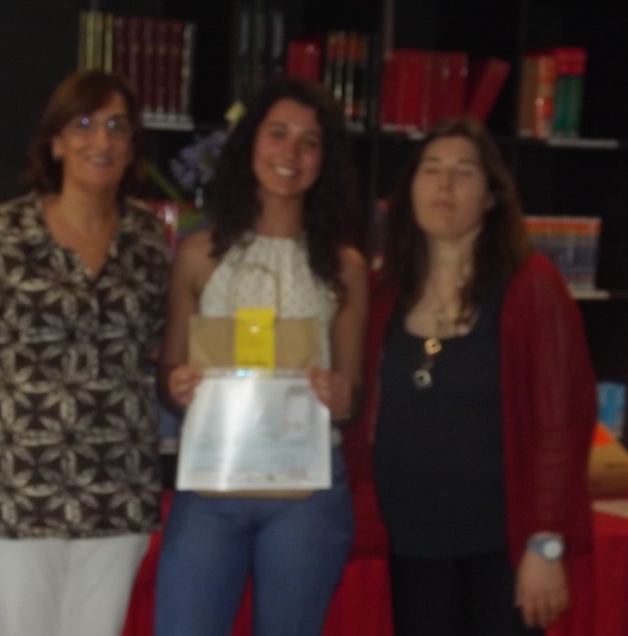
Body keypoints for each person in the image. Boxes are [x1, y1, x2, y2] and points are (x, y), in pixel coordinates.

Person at [0, 70, 170, 636]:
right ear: (56, 143)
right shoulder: (4, 231)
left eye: (117, 126)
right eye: (84, 124)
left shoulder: (148, 240)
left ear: (132, 146)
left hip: (116, 492)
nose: (102, 140)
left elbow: (165, 350)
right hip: (14, 485)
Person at [351, 117, 596, 635]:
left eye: (463, 172)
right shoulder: (384, 292)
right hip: (410, 546)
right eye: (430, 169)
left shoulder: (532, 288)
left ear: (490, 197)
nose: (444, 184)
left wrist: (545, 545)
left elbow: (560, 427)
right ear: (408, 191)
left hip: (501, 549)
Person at [154, 77, 368, 635]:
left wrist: (342, 396)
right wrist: (175, 384)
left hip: (306, 487)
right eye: (277, 134)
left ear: (326, 160)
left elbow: (354, 395)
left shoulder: (344, 267)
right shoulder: (199, 254)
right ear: (250, 142)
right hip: (212, 480)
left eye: (309, 142)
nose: (290, 153)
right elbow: (168, 372)